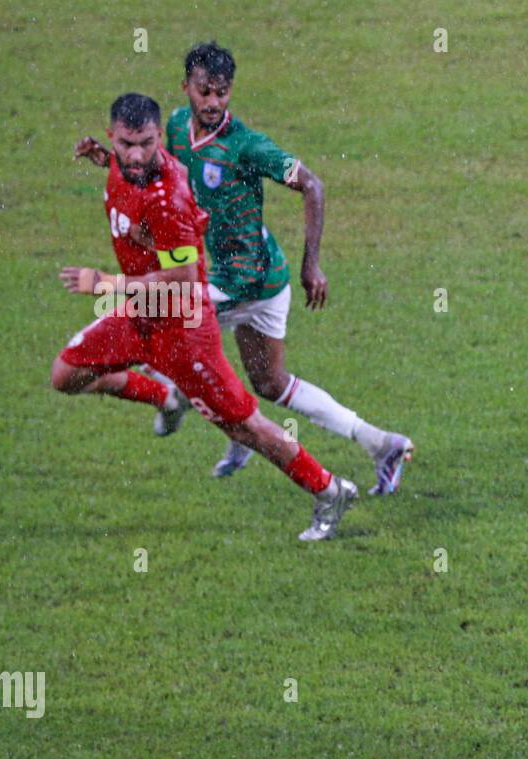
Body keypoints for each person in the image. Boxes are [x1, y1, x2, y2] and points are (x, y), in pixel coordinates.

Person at [76, 41, 412, 493]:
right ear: (186, 88)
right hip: (255, 278)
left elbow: (313, 185)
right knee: (271, 383)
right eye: (204, 91)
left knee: (164, 330)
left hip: (249, 279)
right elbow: (153, 166)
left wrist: (313, 266)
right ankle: (380, 443)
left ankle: (232, 430)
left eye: (222, 92)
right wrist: (111, 160)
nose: (213, 102)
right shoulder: (175, 127)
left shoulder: (246, 146)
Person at [54, 93, 358, 541]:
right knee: (66, 374)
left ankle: (330, 489)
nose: (135, 155)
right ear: (111, 137)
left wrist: (103, 283)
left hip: (183, 331)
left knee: (245, 426)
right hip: (142, 314)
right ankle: (164, 398)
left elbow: (180, 277)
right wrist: (106, 162)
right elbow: (128, 185)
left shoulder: (169, 197)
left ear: (159, 137)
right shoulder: (122, 165)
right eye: (125, 144)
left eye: (145, 143)